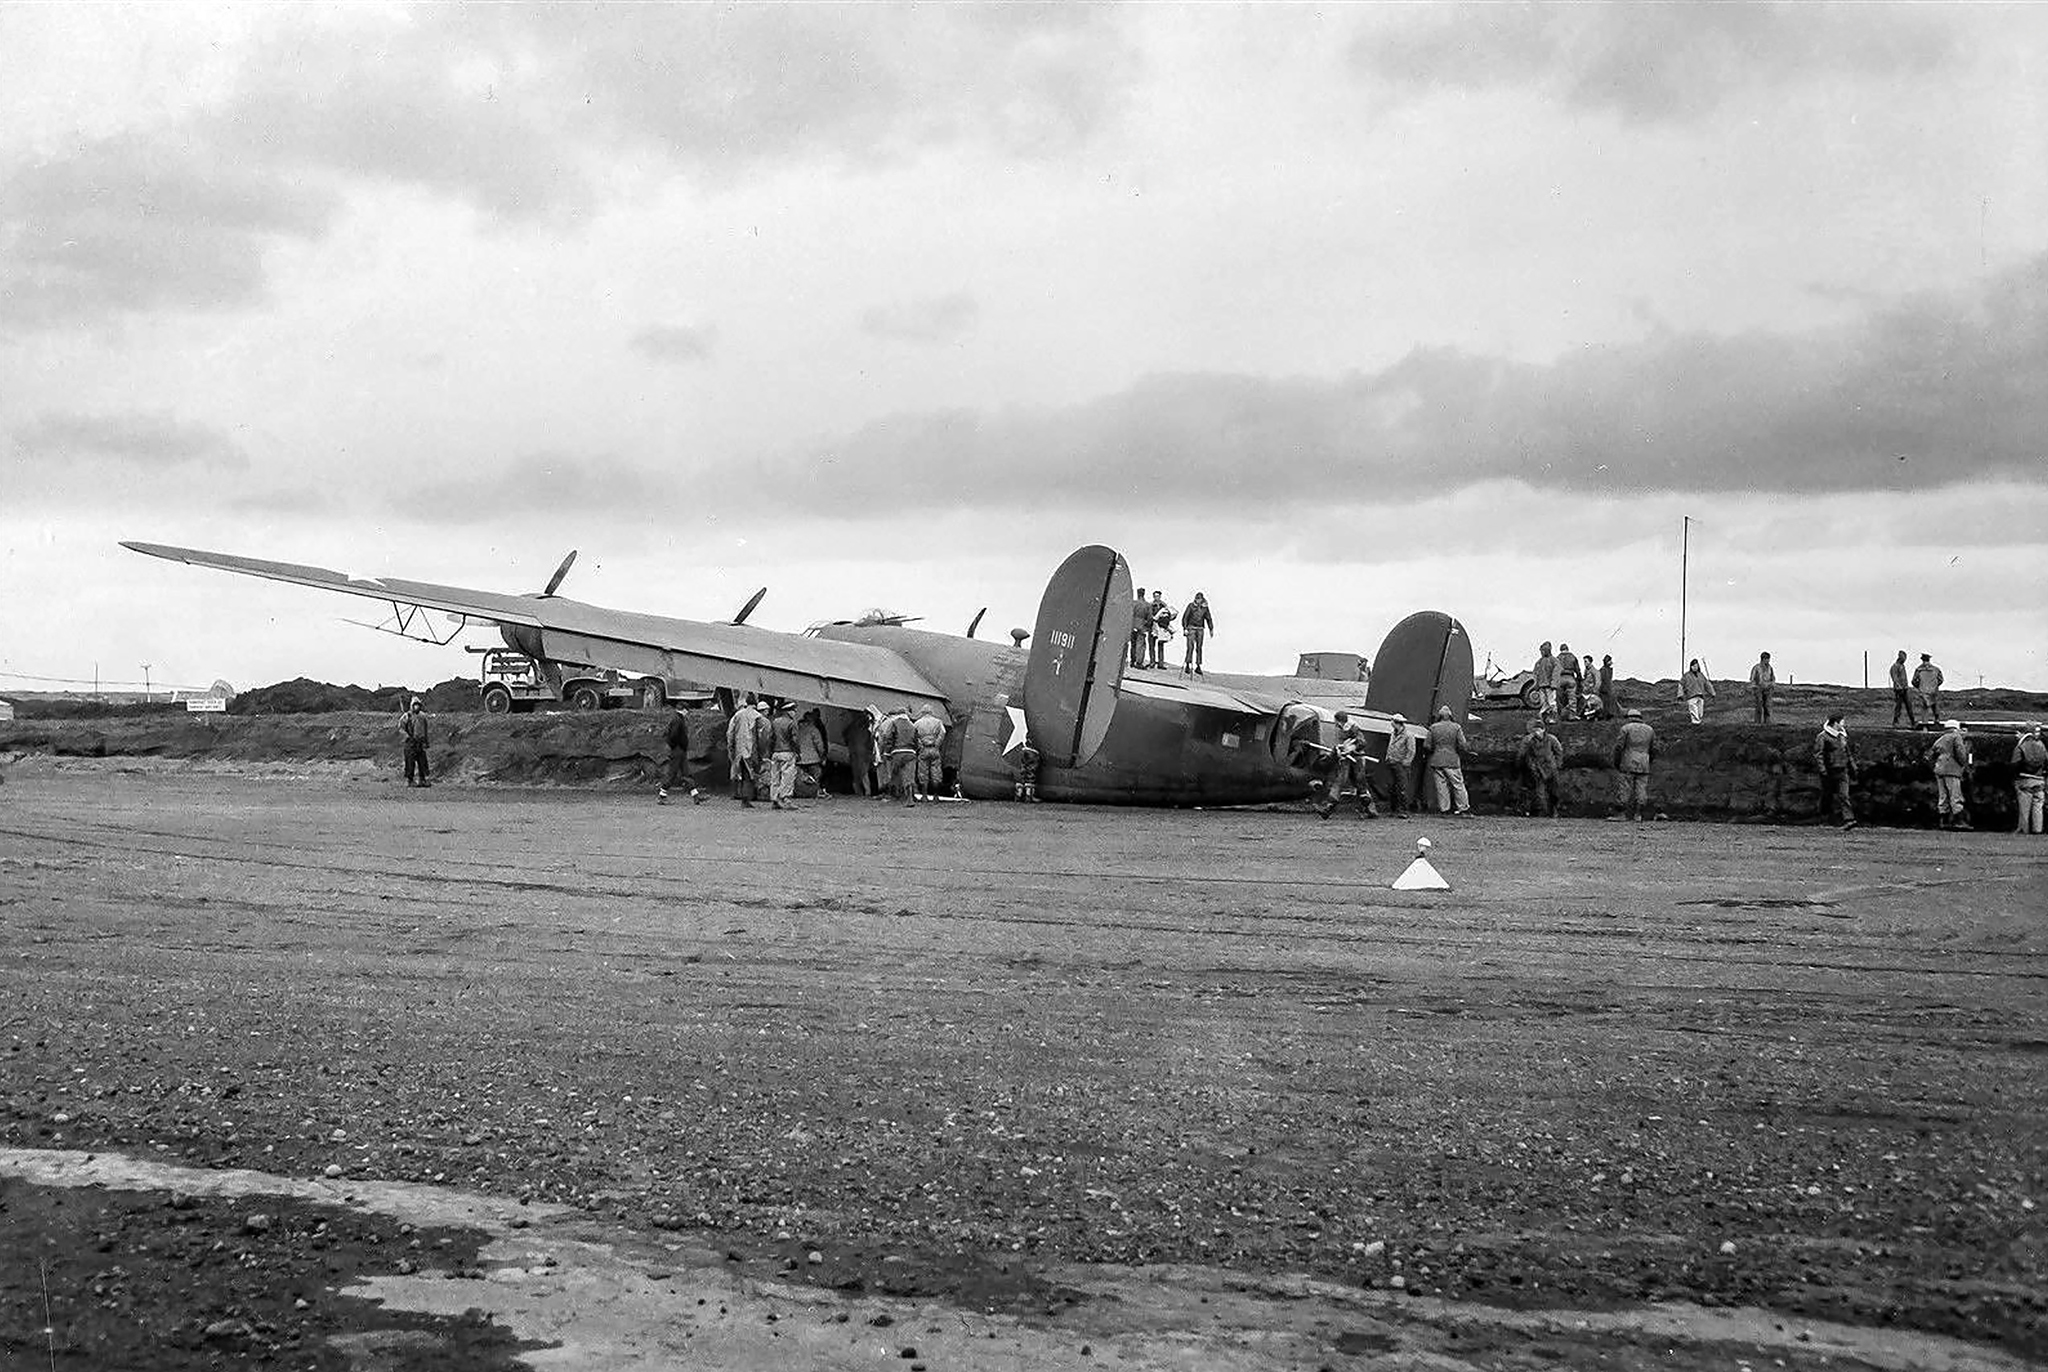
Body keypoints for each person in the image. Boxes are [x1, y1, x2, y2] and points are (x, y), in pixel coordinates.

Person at [1315, 711, 1379, 820]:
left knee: (1359, 783)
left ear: (1338, 720)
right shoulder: (1340, 728)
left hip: (1357, 759)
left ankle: (1371, 810)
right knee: (1341, 782)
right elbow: (1340, 743)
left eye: (1335, 721)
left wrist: (1351, 748)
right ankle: (1327, 809)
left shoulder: (1353, 727)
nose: (1335, 723)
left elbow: (1362, 742)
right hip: (1346, 759)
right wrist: (1338, 750)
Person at [1422, 705, 1472, 815]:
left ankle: (1444, 809)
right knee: (1458, 784)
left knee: (1441, 787)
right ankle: (1463, 808)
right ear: (1450, 716)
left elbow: (1427, 745)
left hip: (1437, 760)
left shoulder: (1433, 727)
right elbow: (1463, 745)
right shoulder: (1456, 727)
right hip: (1452, 760)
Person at [1611, 707, 1656, 821]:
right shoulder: (1650, 730)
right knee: (1641, 789)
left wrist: (1617, 761)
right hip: (1644, 763)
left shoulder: (1626, 728)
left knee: (1625, 788)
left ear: (1629, 718)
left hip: (1627, 761)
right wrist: (1649, 761)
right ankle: (1638, 815)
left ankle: (1621, 814)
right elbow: (1653, 748)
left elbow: (1619, 747)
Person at [657, 701, 706, 805]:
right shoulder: (678, 720)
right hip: (678, 750)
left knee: (686, 772)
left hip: (679, 750)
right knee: (673, 774)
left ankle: (695, 796)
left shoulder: (676, 719)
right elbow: (673, 736)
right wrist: (677, 746)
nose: (687, 713)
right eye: (687, 711)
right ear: (684, 710)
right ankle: (662, 795)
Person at [1814, 711, 1856, 830]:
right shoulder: (1822, 737)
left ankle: (1849, 819)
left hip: (1842, 769)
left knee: (1844, 795)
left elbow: (1847, 753)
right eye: (1842, 721)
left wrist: (1852, 766)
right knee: (1827, 795)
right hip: (1830, 771)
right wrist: (1823, 770)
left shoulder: (1842, 736)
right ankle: (1825, 817)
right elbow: (1819, 754)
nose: (1844, 723)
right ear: (1836, 723)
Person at [1927, 719, 1972, 830]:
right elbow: (1960, 753)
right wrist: (1964, 765)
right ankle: (1959, 821)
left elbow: (1930, 754)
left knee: (1943, 796)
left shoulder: (1940, 739)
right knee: (1955, 795)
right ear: (1956, 728)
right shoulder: (1956, 737)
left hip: (1939, 769)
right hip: (1952, 769)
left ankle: (1943, 820)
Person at [1516, 719, 1564, 817]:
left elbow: (1559, 751)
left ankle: (1553, 809)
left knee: (1555, 792)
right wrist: (1529, 767)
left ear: (1543, 729)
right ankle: (1542, 812)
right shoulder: (1528, 740)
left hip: (1551, 767)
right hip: (1537, 768)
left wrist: (1558, 764)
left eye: (1538, 729)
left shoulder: (1551, 739)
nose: (1536, 732)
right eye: (1534, 730)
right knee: (1539, 793)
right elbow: (1523, 754)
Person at [726, 695, 766, 808]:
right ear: (755, 703)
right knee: (750, 775)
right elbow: (763, 735)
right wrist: (763, 751)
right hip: (752, 750)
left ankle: (742, 796)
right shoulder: (758, 716)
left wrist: (731, 747)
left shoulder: (737, 715)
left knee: (742, 774)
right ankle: (746, 799)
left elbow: (730, 733)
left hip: (739, 750)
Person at [879, 705, 920, 804]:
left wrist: (887, 752)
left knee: (895, 775)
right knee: (909, 776)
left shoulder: (894, 723)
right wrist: (915, 751)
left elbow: (889, 738)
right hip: (910, 753)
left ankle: (895, 796)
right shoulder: (912, 725)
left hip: (897, 753)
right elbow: (917, 741)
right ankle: (909, 798)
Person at [765, 701, 800, 810]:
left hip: (776, 753)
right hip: (787, 752)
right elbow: (794, 740)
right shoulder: (791, 723)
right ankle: (785, 798)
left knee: (775, 777)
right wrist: (798, 752)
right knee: (787, 777)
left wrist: (770, 752)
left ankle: (775, 799)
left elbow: (770, 738)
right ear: (788, 711)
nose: (795, 712)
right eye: (794, 710)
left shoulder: (774, 722)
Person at [2013, 724, 2046, 835]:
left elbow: (2014, 763)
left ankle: (2023, 829)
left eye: (2017, 733)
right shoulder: (2041, 745)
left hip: (2025, 779)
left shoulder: (2021, 746)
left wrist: (2015, 776)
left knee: (2024, 808)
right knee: (2038, 807)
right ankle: (2037, 829)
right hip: (2040, 779)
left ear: (2024, 733)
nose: (2015, 735)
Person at [912, 704, 947, 800]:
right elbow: (943, 732)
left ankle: (924, 796)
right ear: (931, 712)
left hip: (924, 749)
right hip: (934, 749)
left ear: (922, 712)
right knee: (936, 772)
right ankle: (936, 796)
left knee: (923, 773)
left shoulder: (918, 723)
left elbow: (914, 735)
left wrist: (920, 745)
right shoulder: (938, 722)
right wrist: (937, 743)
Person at [1382, 714, 1415, 816]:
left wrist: (1406, 762)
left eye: (1392, 721)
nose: (1391, 723)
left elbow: (1411, 751)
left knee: (1402, 788)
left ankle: (1403, 810)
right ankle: (1395, 809)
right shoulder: (1394, 733)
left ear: (1396, 723)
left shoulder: (1408, 735)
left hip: (1401, 764)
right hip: (1392, 763)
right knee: (1392, 787)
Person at [398, 698, 431, 788]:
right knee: (410, 762)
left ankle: (422, 779)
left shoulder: (423, 716)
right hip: (410, 742)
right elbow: (401, 728)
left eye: (418, 705)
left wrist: (426, 742)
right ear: (412, 706)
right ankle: (410, 780)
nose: (416, 707)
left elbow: (425, 730)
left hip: (420, 742)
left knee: (423, 762)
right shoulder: (407, 716)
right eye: (415, 705)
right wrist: (407, 736)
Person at [796, 709, 828, 798]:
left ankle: (801, 793)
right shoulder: (814, 729)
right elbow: (819, 745)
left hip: (799, 759)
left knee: (800, 778)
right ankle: (814, 793)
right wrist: (822, 756)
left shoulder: (797, 729)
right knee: (815, 777)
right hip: (813, 759)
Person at [844, 710, 877, 797]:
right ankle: (867, 792)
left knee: (856, 773)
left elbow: (845, 736)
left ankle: (858, 792)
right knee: (864, 773)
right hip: (864, 753)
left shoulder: (851, 728)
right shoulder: (866, 730)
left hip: (854, 752)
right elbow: (870, 742)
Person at [1181, 592, 1214, 675]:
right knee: (1190, 647)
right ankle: (1188, 664)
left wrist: (1211, 628)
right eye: (1197, 599)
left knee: (1199, 647)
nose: (1198, 600)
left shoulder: (1205, 607)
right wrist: (1185, 628)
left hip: (1200, 628)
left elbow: (1208, 618)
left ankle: (1198, 666)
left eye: (1199, 599)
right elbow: (1185, 617)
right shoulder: (1191, 606)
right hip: (1191, 627)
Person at [1680, 659, 1714, 726]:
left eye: (1696, 666)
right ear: (1691, 667)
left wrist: (1712, 692)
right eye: (1693, 666)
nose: (1695, 667)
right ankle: (1695, 723)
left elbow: (1707, 684)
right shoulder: (1686, 675)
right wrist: (1680, 695)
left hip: (1700, 696)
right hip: (1691, 696)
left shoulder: (1701, 675)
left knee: (1700, 711)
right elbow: (1681, 685)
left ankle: (1699, 722)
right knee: (1693, 709)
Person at [1912, 653, 1944, 722]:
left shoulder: (1918, 670)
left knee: (1924, 709)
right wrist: (1935, 686)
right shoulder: (1936, 669)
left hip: (1923, 692)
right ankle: (1937, 721)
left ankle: (1925, 724)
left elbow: (1914, 681)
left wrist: (1919, 686)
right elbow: (1941, 680)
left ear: (1922, 660)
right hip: (1933, 691)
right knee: (1935, 706)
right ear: (1929, 660)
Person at [1532, 643, 1558, 724]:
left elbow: (1556, 673)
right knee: (1544, 703)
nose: (1542, 652)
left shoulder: (1554, 660)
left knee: (1551, 703)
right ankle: (1543, 718)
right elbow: (1535, 673)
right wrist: (1536, 684)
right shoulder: (1539, 662)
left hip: (1550, 686)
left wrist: (1554, 684)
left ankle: (1553, 718)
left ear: (1548, 650)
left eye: (1543, 650)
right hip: (1541, 686)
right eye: (1541, 651)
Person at [1148, 591, 1175, 669]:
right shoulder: (1150, 605)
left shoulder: (1164, 605)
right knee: (1152, 645)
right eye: (1155, 596)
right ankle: (1152, 662)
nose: (1157, 597)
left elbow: (1168, 615)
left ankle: (1160, 663)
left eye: (1158, 596)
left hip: (1161, 627)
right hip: (1153, 626)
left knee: (1160, 645)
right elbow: (1149, 615)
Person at [1889, 651, 1917, 727]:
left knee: (1909, 706)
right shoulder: (1895, 666)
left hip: (1905, 689)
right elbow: (1895, 678)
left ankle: (1913, 721)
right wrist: (1899, 687)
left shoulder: (1902, 666)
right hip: (1899, 690)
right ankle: (1895, 722)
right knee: (1898, 706)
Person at [1748, 652, 1776, 723]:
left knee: (1767, 706)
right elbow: (1752, 678)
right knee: (1759, 706)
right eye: (1767, 659)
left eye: (1769, 659)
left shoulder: (1770, 668)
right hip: (1758, 689)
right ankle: (1758, 722)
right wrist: (1754, 687)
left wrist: (1772, 685)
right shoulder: (1756, 668)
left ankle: (1767, 722)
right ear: (1763, 659)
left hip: (1768, 689)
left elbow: (1773, 678)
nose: (1768, 661)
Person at [1555, 644, 1580, 722]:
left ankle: (1561, 714)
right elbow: (1577, 670)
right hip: (1570, 678)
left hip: (1560, 678)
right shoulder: (1572, 657)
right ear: (1567, 649)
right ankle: (1572, 715)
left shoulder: (1557, 658)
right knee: (1572, 697)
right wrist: (1579, 678)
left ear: (1560, 649)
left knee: (1559, 698)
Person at [1131, 588, 1151, 669]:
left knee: (1133, 644)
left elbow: (1129, 613)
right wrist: (1147, 627)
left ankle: (1132, 661)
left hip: (1133, 625)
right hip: (1142, 626)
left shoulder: (1133, 603)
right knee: (1141, 645)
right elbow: (1150, 618)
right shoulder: (1147, 605)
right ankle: (1139, 663)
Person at [1597, 654, 1619, 721]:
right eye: (1610, 661)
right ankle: (1605, 715)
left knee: (1608, 702)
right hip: (1604, 689)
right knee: (1605, 703)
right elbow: (1603, 680)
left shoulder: (1607, 669)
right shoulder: (1603, 670)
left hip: (1607, 689)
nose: (1611, 662)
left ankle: (1608, 714)